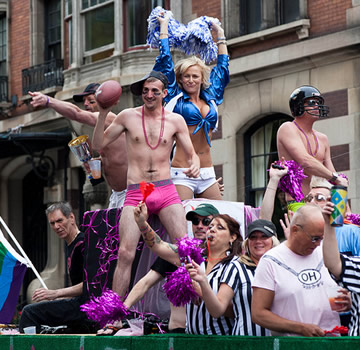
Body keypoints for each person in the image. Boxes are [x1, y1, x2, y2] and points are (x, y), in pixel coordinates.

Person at [91, 71, 200, 298]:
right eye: (145, 91)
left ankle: (191, 306)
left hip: (166, 190)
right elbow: (97, 145)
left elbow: (192, 153)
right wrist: (102, 114)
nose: (149, 95)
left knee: (185, 249)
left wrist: (195, 164)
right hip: (136, 192)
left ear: (165, 93)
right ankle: (114, 314)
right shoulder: (127, 116)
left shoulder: (175, 120)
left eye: (155, 91)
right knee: (125, 253)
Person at [96, 202, 220, 335]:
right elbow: (145, 282)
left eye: (206, 221)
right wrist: (120, 311)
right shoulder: (180, 254)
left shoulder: (226, 259)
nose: (200, 226)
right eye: (195, 221)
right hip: (179, 333)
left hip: (214, 333)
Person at [134, 202, 242, 334]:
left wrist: (200, 289)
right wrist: (142, 224)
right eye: (211, 226)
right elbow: (158, 246)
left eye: (219, 227)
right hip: (189, 337)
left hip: (220, 339)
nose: (210, 229)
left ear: (233, 236)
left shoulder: (236, 265)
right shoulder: (190, 255)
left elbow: (231, 310)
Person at [153, 14, 229, 201]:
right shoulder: (175, 97)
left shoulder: (211, 98)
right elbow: (165, 60)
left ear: (202, 78)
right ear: (180, 79)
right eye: (186, 76)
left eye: (195, 76)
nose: (190, 80)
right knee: (184, 223)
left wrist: (220, 35)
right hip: (182, 171)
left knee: (216, 220)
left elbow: (223, 68)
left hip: (207, 171)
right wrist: (164, 27)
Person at [251, 204, 345, 336]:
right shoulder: (271, 261)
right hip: (293, 344)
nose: (318, 244)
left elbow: (334, 298)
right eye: (314, 238)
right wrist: (300, 328)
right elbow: (258, 314)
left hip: (330, 343)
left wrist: (344, 301)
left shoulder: (325, 253)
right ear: (295, 230)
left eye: (321, 238)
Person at [29, 84, 128, 208]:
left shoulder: (107, 117)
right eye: (84, 101)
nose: (86, 104)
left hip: (129, 193)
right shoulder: (102, 128)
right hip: (117, 194)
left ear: (102, 101)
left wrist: (48, 101)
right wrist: (97, 162)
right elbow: (117, 157)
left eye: (91, 101)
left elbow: (76, 113)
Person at [188, 219, 280, 335]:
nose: (258, 241)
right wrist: (204, 282)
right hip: (245, 342)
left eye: (264, 236)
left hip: (279, 341)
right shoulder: (237, 267)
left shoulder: (283, 268)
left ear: (273, 240)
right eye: (253, 237)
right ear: (247, 242)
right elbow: (218, 309)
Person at [19, 202, 94, 333]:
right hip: (79, 305)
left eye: (60, 220)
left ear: (71, 218)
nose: (56, 226)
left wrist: (55, 294)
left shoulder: (83, 243)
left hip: (87, 307)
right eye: (52, 223)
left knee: (29, 312)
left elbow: (90, 284)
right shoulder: (71, 245)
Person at [277, 86, 347, 199]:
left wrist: (346, 210)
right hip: (298, 203)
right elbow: (306, 162)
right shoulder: (287, 128)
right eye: (311, 102)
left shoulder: (323, 138)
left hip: (322, 203)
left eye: (318, 103)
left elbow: (333, 177)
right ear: (298, 106)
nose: (316, 106)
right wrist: (336, 178)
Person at [306, 176, 360, 257]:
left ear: (332, 202)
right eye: (309, 198)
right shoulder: (302, 234)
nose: (311, 202)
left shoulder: (352, 233)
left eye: (319, 198)